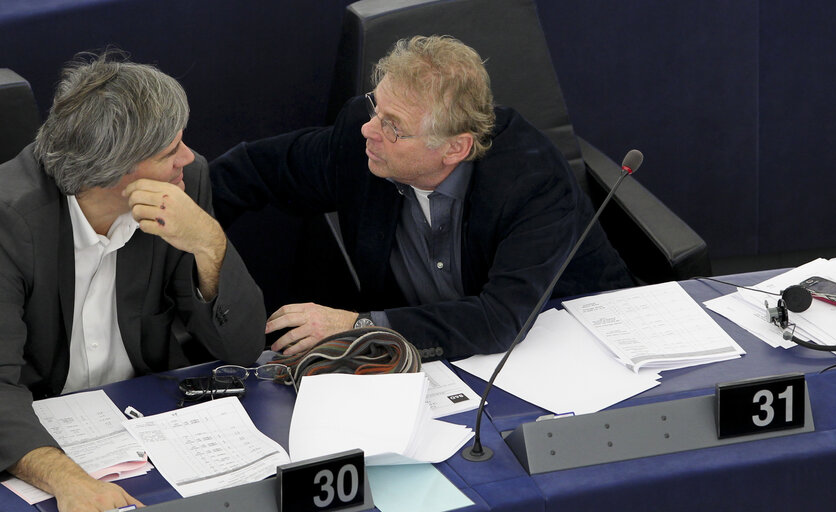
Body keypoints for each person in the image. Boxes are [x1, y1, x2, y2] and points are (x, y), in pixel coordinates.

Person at [210, 35, 632, 361]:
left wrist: (359, 327)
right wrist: (174, 239)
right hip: (435, 362)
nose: (369, 130)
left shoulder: (531, 181)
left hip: (575, 345)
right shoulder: (362, 143)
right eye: (376, 108)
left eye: (393, 125)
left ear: (454, 149)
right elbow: (251, 170)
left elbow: (498, 319)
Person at [0, 51, 266, 511]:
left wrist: (209, 245)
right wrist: (68, 480)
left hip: (143, 422)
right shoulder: (10, 220)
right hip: (36, 438)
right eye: (169, 152)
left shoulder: (182, 186)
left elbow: (242, 350)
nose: (189, 157)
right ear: (114, 173)